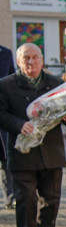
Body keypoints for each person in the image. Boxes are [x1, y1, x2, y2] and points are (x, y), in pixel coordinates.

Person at [0, 44, 66, 227]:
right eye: (26, 58)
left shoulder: (55, 84)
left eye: (34, 58)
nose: (30, 62)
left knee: (51, 200)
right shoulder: (6, 85)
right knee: (26, 200)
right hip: (22, 154)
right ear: (18, 61)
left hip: (51, 153)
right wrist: (18, 125)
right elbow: (1, 114)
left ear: (42, 60)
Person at [0, 43, 17, 209]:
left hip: (2, 114)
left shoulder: (5, 53)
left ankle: (9, 198)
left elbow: (12, 79)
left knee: (6, 159)